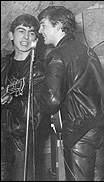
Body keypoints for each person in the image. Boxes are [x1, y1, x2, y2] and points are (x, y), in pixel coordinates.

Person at [37, 6, 104, 181]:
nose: (40, 31)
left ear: (58, 25)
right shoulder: (87, 50)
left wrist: (33, 99)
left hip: (80, 132)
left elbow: (52, 100)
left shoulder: (58, 54)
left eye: (43, 25)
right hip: (101, 129)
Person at [1, 14, 46, 181]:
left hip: (21, 142)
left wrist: (10, 100)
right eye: (21, 31)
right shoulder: (3, 65)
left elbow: (32, 113)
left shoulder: (38, 70)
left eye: (32, 33)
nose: (26, 37)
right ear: (11, 36)